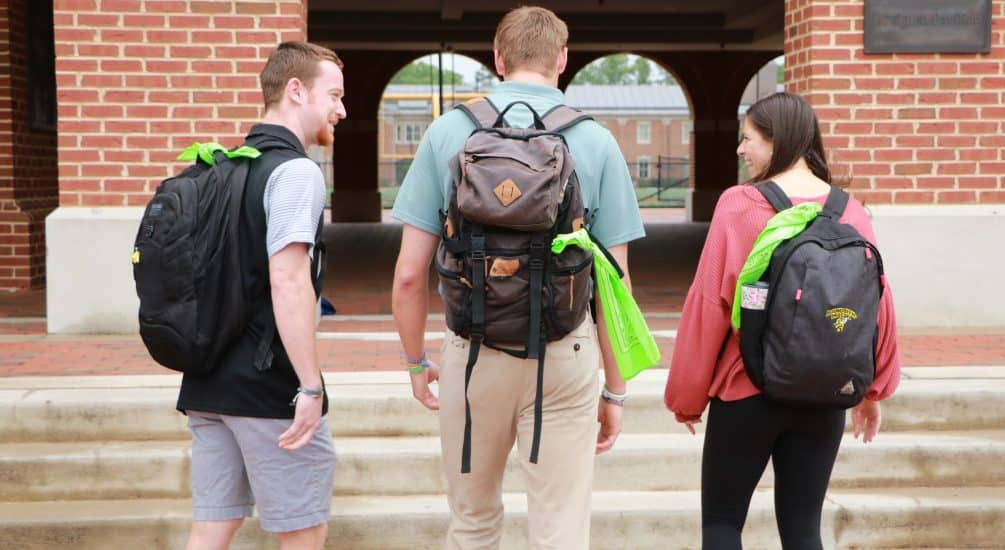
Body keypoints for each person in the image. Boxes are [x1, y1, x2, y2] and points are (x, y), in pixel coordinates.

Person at [390, 7, 645, 549]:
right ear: (563, 59)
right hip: (563, 354)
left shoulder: (448, 131)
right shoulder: (595, 140)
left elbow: (410, 275)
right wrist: (615, 391)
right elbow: (614, 285)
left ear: (498, 58)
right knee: (559, 528)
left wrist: (416, 362)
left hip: (472, 353)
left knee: (473, 521)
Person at [664, 92, 901, 550]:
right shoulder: (850, 210)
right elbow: (879, 305)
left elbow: (709, 305)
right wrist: (872, 389)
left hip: (746, 388)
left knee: (722, 523)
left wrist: (686, 396)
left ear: (777, 142)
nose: (739, 149)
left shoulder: (739, 204)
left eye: (747, 138)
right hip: (826, 393)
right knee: (803, 529)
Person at [175, 41, 346, 550]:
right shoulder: (295, 172)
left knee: (211, 528)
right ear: (296, 90)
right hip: (268, 388)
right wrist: (310, 387)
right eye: (333, 95)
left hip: (207, 382)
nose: (342, 109)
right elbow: (288, 279)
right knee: (302, 528)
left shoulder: (220, 167)